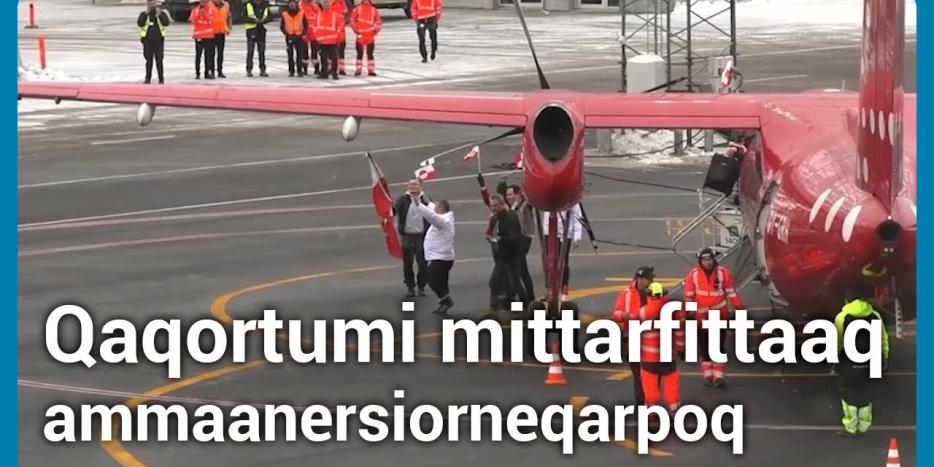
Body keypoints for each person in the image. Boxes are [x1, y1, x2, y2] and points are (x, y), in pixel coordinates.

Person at [682, 247, 744, 388]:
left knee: (718, 346)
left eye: (709, 259)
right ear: (700, 261)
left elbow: (732, 293)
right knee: (704, 347)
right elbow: (689, 297)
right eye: (704, 260)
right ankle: (708, 375)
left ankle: (719, 376)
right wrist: (684, 315)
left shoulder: (723, 273)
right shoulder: (693, 275)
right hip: (701, 318)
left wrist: (740, 309)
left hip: (719, 316)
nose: (708, 262)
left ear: (713, 259)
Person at [835, 288, 889, 436]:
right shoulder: (875, 315)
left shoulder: (842, 317)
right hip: (872, 362)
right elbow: (883, 338)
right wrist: (884, 357)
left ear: (846, 301)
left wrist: (835, 361)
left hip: (850, 362)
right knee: (866, 394)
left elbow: (837, 341)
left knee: (849, 394)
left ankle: (851, 427)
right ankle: (864, 426)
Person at [612, 266, 656, 406]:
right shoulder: (627, 293)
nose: (644, 282)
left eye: (647, 279)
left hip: (652, 341)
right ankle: (642, 403)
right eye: (642, 278)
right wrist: (624, 315)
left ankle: (650, 402)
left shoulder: (655, 293)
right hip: (633, 340)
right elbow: (616, 313)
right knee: (638, 376)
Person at [638, 282, 685, 416]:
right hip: (668, 356)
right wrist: (681, 348)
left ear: (648, 295)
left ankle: (651, 411)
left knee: (650, 385)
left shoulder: (643, 311)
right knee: (671, 382)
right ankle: (674, 408)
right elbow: (679, 332)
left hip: (649, 358)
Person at [485, 194, 527, 320]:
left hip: (513, 256)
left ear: (502, 204)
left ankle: (524, 309)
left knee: (515, 285)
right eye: (491, 206)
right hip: (502, 257)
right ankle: (494, 310)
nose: (493, 208)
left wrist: (500, 240)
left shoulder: (511, 217)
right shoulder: (494, 218)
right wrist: (491, 238)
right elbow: (491, 232)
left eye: (496, 205)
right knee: (494, 282)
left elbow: (516, 237)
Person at [414, 196, 455, 315]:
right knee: (441, 281)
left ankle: (445, 300)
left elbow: (432, 216)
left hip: (440, 258)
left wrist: (418, 204)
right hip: (442, 256)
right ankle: (443, 302)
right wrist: (424, 199)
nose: (434, 207)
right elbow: (432, 209)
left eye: (437, 206)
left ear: (441, 208)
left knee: (432, 280)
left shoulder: (443, 221)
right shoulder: (444, 216)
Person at [394, 179, 429, 299]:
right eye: (410, 184)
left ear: (420, 186)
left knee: (423, 263)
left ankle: (421, 286)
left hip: (422, 236)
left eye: (415, 184)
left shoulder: (425, 199)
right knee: (407, 263)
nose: (412, 186)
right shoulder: (402, 200)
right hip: (407, 236)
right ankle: (410, 287)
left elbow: (434, 212)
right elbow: (393, 211)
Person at [541, 204, 582, 301]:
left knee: (563, 262)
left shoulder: (571, 200)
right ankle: (550, 289)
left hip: (564, 233)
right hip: (548, 231)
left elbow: (577, 216)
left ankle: (564, 290)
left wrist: (577, 236)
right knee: (548, 262)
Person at [505, 184, 535, 301]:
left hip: (524, 238)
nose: (508, 197)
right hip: (515, 240)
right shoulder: (511, 207)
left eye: (510, 194)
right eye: (507, 195)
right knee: (522, 270)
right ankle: (529, 298)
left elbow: (530, 199)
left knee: (516, 271)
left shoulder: (525, 204)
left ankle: (524, 300)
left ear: (518, 194)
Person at [137, 1, 169, 84]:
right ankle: (148, 78)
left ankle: (161, 79)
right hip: (147, 41)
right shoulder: (144, 14)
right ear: (147, 5)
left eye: (154, 4)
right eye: (151, 4)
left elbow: (166, 23)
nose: (152, 6)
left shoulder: (161, 14)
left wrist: (160, 15)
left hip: (159, 41)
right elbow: (140, 24)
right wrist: (145, 14)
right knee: (149, 60)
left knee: (159, 60)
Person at [350, 0, 381, 76]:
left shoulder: (373, 10)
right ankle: (358, 70)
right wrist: (356, 29)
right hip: (361, 35)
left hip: (369, 35)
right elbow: (352, 20)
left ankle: (370, 71)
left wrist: (375, 30)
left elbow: (378, 22)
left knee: (370, 54)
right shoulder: (358, 9)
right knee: (360, 54)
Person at [313, 0, 341, 79]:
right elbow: (315, 27)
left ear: (330, 4)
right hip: (322, 41)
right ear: (322, 4)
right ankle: (324, 73)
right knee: (323, 59)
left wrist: (338, 38)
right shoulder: (318, 15)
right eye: (324, 3)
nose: (326, 5)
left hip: (333, 41)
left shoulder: (335, 15)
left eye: (327, 3)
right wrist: (317, 37)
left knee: (334, 58)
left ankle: (334, 73)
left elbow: (339, 27)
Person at [245, 0, 273, 77]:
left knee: (261, 51)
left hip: (261, 30)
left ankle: (262, 69)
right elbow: (244, 17)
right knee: (250, 52)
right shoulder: (248, 5)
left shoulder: (265, 5)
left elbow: (270, 17)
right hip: (251, 30)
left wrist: (264, 21)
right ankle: (249, 70)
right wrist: (254, 21)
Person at [280, 0, 307, 77]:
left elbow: (306, 24)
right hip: (289, 36)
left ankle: (299, 71)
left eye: (293, 3)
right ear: (288, 4)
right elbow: (282, 26)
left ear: (296, 4)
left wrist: (303, 33)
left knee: (299, 54)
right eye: (290, 3)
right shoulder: (285, 14)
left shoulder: (301, 13)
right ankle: (291, 71)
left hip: (299, 36)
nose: (292, 4)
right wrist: (287, 34)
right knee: (290, 55)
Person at [190, 0, 216, 80]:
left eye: (205, 1)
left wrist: (204, 14)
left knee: (208, 55)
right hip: (199, 36)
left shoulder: (211, 9)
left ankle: (207, 72)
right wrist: (199, 14)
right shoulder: (195, 10)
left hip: (209, 36)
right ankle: (197, 73)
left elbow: (212, 21)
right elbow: (193, 20)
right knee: (198, 55)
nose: (203, 3)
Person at [299, 0, 322, 76]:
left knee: (315, 51)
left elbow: (320, 17)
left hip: (314, 32)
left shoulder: (315, 6)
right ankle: (304, 69)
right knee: (304, 51)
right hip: (304, 32)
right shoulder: (300, 6)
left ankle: (316, 69)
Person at [328, 0, 348, 75]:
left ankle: (335, 68)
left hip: (338, 33)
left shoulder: (341, 3)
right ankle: (337, 68)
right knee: (335, 52)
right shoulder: (339, 3)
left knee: (338, 52)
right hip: (335, 33)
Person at [211, 0, 231, 78]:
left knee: (220, 53)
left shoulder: (226, 5)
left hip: (222, 32)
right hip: (212, 32)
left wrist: (228, 28)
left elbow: (228, 17)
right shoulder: (209, 4)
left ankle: (220, 71)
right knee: (211, 53)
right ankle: (211, 71)